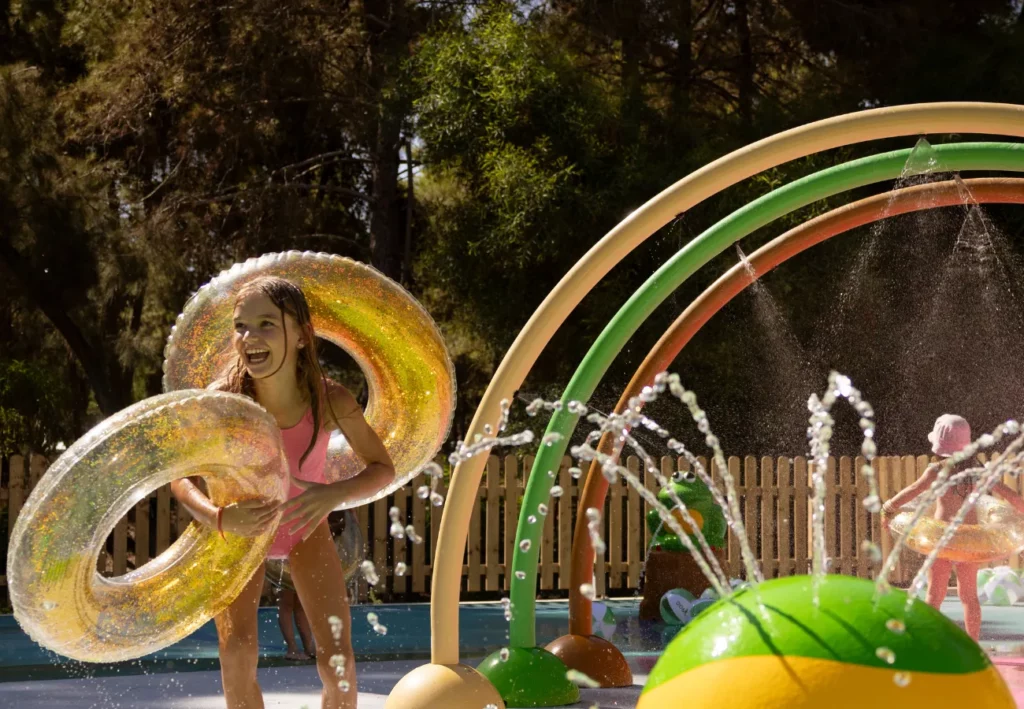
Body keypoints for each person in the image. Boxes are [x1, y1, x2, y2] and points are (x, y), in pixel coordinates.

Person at [171, 276, 395, 709]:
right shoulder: (225, 402)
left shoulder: (330, 400)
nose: (250, 337)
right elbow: (181, 480)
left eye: (266, 324)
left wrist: (333, 495)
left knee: (339, 664)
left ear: (302, 335)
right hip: (238, 532)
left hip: (304, 527)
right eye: (240, 326)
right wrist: (219, 517)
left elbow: (382, 467)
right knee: (237, 654)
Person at [882, 414, 1024, 641]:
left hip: (942, 539)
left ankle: (927, 643)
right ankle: (974, 645)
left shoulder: (937, 471)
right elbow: (1009, 495)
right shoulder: (978, 474)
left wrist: (888, 508)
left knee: (934, 595)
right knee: (969, 597)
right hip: (969, 542)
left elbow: (913, 490)